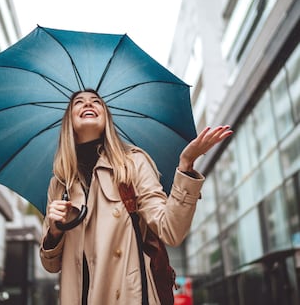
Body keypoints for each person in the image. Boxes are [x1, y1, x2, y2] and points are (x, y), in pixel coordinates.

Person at [40, 89, 233, 305]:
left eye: (96, 102)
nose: (88, 104)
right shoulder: (60, 183)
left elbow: (171, 230)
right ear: (69, 121)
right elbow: (51, 265)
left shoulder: (133, 163)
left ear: (107, 118)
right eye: (79, 102)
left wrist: (185, 166)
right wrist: (55, 231)